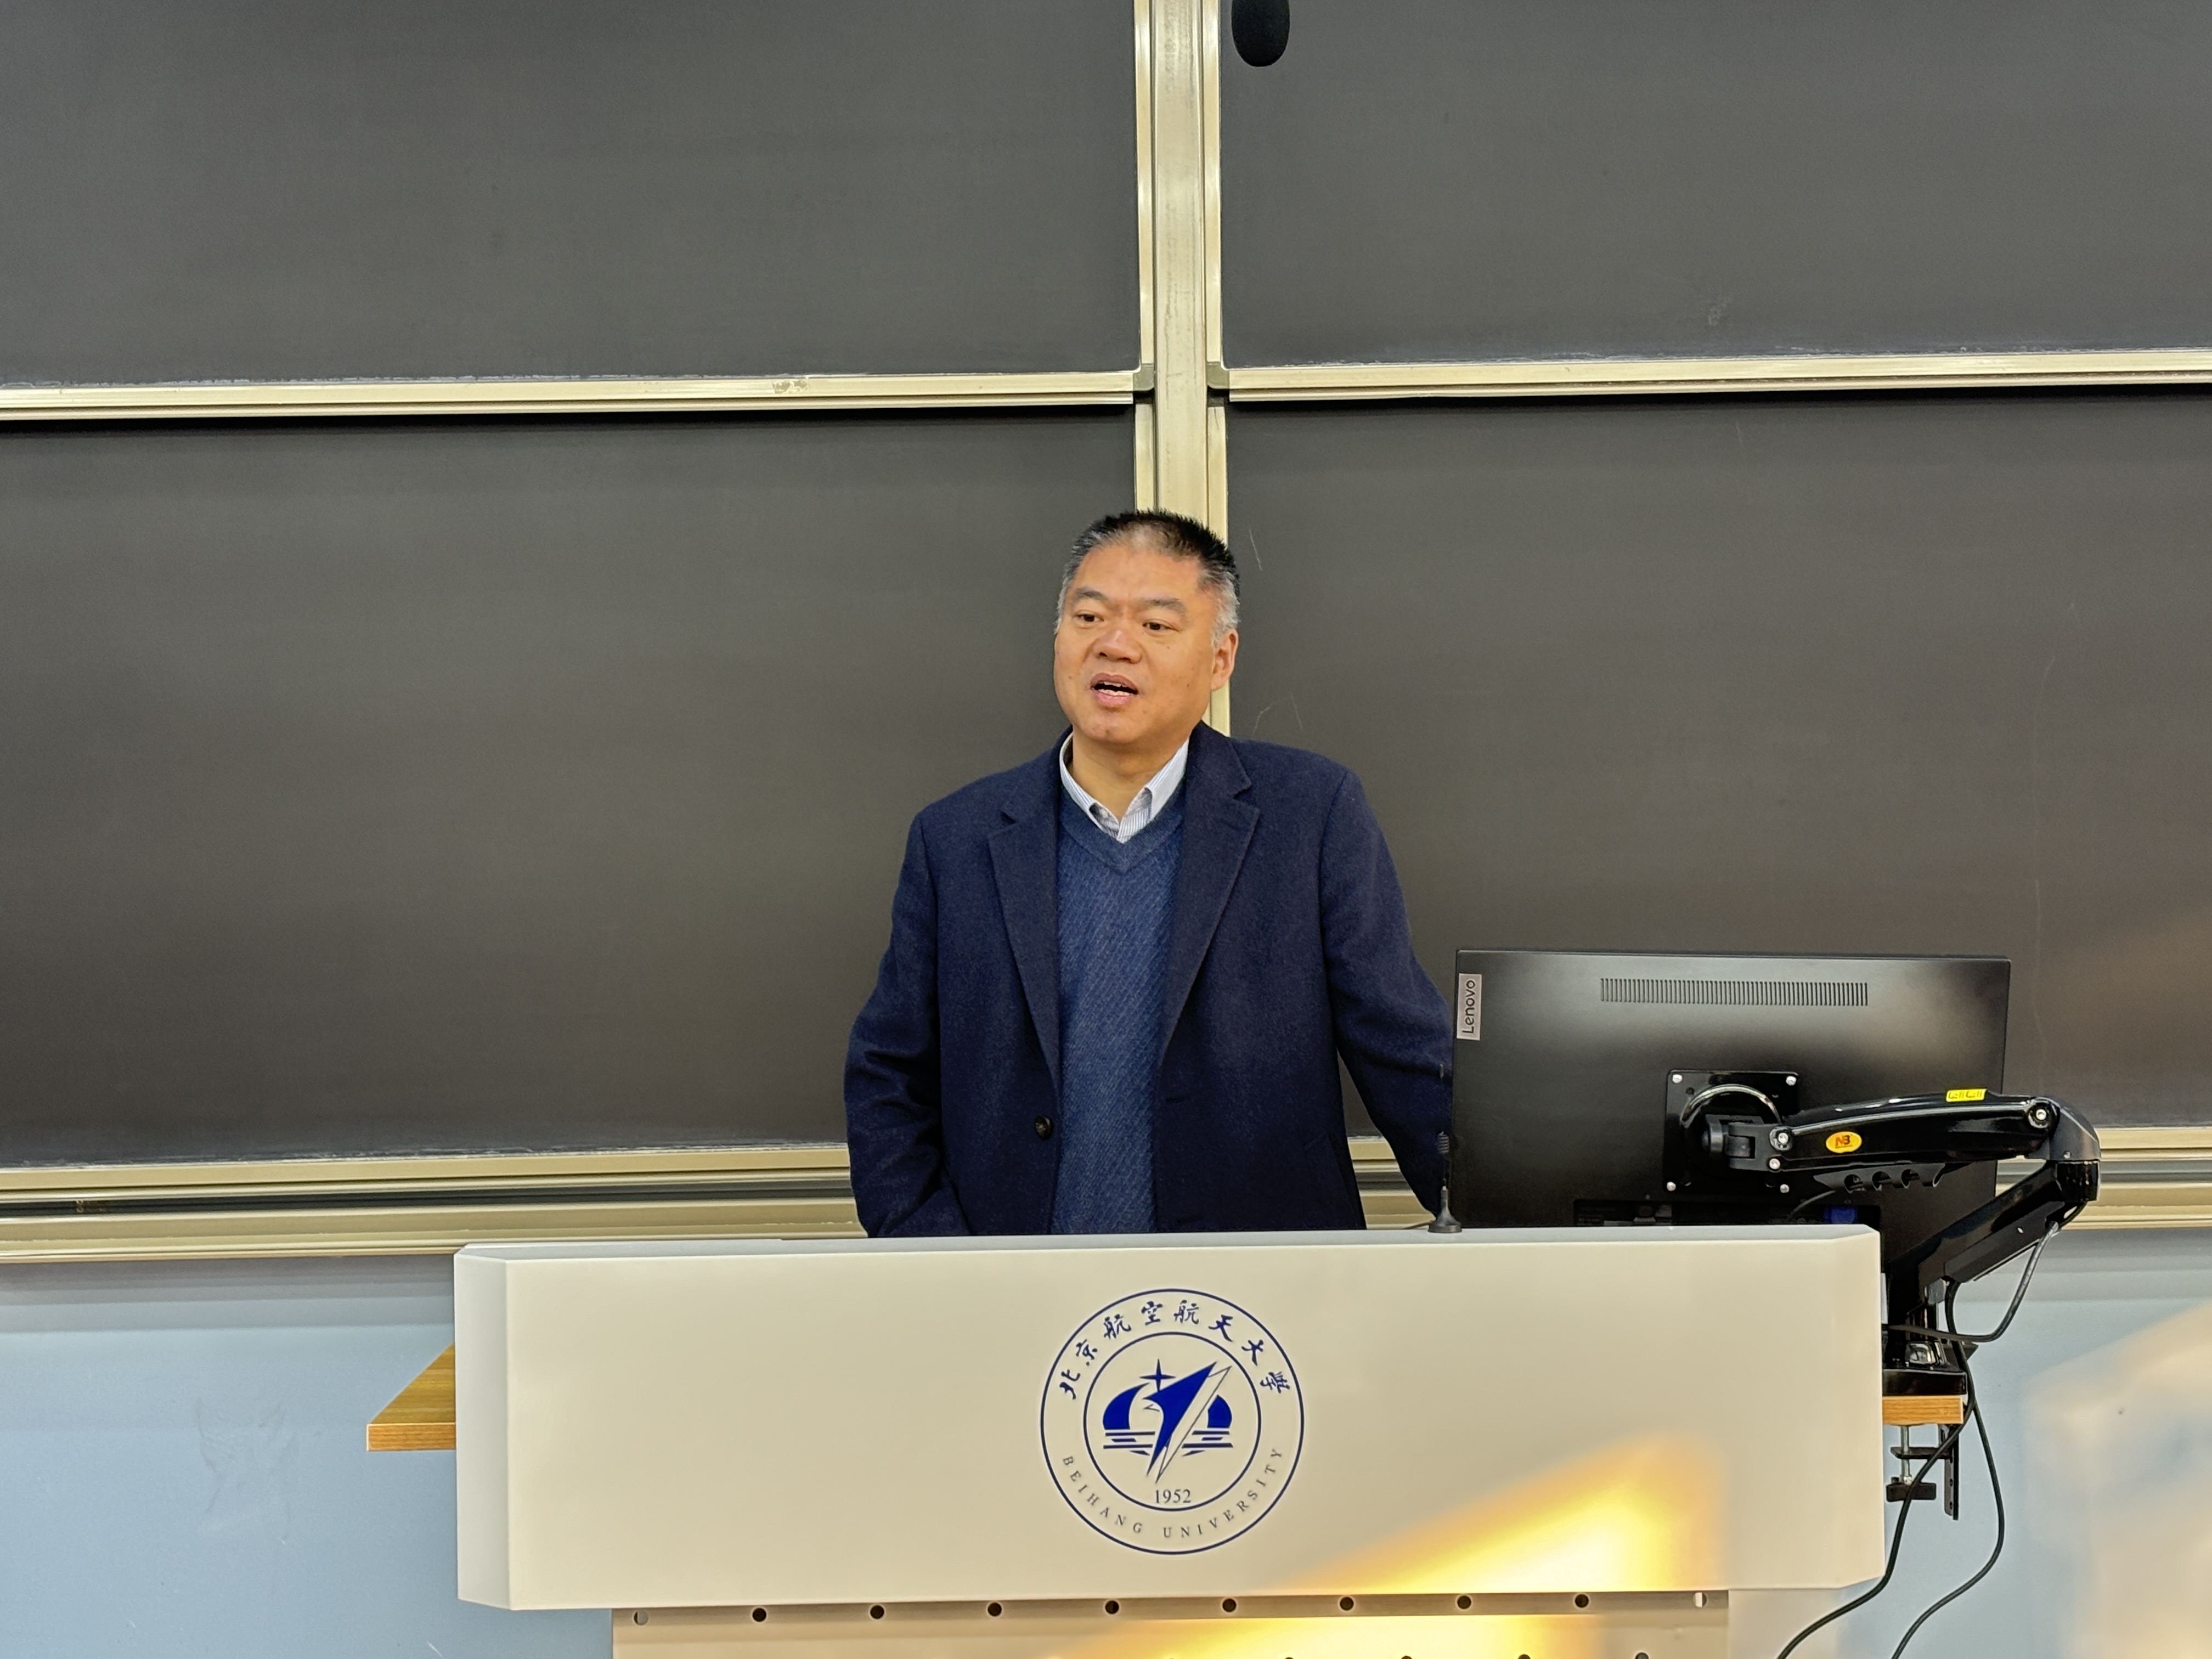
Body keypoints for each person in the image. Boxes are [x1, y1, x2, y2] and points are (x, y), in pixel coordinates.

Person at [844, 510, 1449, 1235]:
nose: (1115, 644)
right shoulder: (955, 838)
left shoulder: (1312, 814)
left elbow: (1401, 1048)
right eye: (1089, 616)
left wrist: (1513, 1216)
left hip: (1252, 1286)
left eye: (1156, 625)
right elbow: (889, 1075)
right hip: (1014, 1284)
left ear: (1221, 658)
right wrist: (939, 1257)